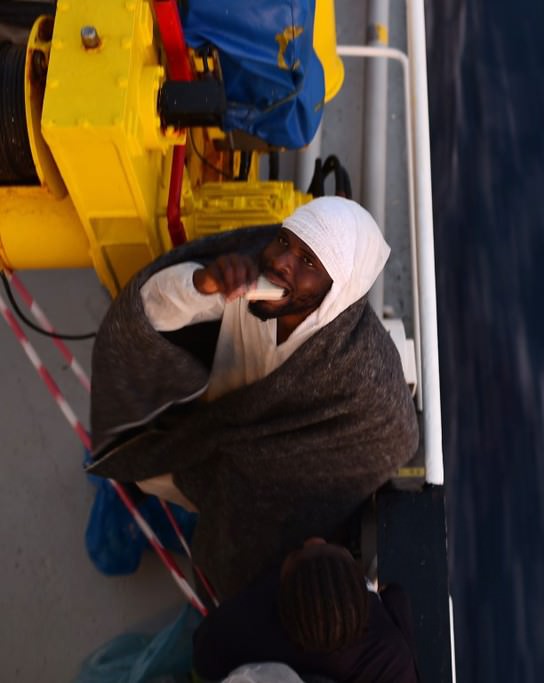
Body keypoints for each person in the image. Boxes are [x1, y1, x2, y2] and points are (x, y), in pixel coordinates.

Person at [87, 197, 419, 599]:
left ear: (337, 292)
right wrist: (202, 284)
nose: (282, 262)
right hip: (203, 426)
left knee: (230, 535)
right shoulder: (245, 278)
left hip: (252, 476)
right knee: (154, 471)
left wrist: (268, 461)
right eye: (284, 241)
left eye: (308, 262)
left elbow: (395, 435)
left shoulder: (362, 370)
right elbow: (150, 313)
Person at [192, 537, 418, 682]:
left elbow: (203, 660)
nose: (316, 541)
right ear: (364, 599)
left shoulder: (242, 626)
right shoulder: (388, 656)